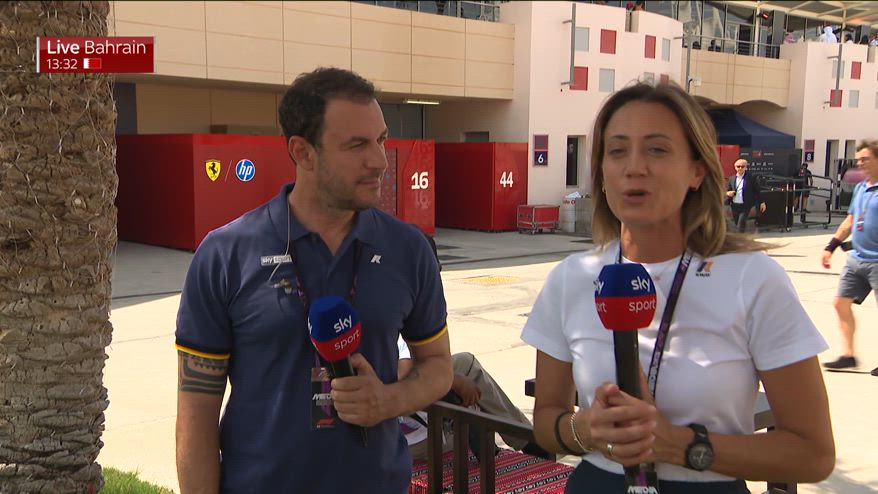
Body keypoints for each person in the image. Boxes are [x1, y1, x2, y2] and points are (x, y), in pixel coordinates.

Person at [521, 82, 834, 492]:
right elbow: (546, 421)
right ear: (601, 172)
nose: (635, 167)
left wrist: (681, 446)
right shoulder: (571, 277)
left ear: (697, 171)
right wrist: (586, 430)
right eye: (617, 151)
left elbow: (813, 454)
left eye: (657, 149)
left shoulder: (753, 279)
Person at [174, 67, 453, 493]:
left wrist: (388, 400)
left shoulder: (408, 249)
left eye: (380, 140)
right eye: (357, 145)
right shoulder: (225, 254)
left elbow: (438, 366)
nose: (379, 160)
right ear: (303, 152)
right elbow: (196, 412)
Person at [396, 337, 547, 459]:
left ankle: (526, 439)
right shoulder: (395, 323)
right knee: (474, 408)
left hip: (402, 419)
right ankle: (526, 440)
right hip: (403, 439)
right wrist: (454, 381)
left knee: (465, 363)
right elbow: (403, 375)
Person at [821, 139, 878, 376]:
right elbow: (850, 220)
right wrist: (831, 246)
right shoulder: (861, 188)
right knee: (840, 303)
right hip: (856, 259)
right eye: (858, 160)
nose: (860, 163)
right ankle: (848, 355)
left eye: (865, 159)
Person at [726, 159, 767, 233]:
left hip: (745, 205)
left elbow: (757, 191)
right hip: (734, 205)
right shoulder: (731, 178)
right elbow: (728, 190)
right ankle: (740, 236)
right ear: (735, 167)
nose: (740, 168)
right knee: (737, 223)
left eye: (742, 166)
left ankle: (739, 237)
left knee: (741, 223)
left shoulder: (751, 178)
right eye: (738, 166)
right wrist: (728, 193)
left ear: (746, 167)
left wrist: (762, 202)